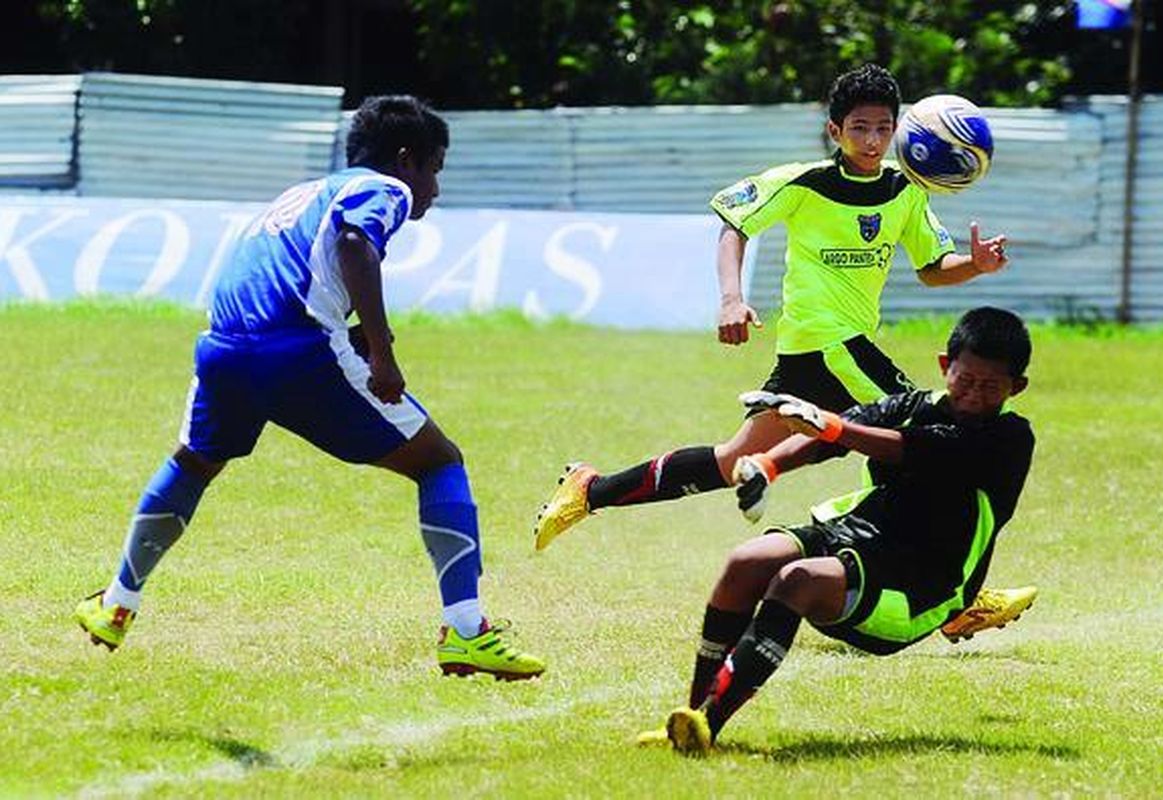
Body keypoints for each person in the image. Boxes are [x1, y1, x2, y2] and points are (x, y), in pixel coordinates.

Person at [533, 62, 1033, 641]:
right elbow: (734, 222)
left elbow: (930, 269)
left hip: (822, 357)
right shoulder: (803, 183)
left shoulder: (905, 192)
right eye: (860, 128)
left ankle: (590, 490)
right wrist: (730, 299)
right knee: (925, 439)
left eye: (883, 128)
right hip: (827, 344)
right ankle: (951, 596)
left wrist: (976, 264)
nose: (872, 141)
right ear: (834, 130)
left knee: (729, 462)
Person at [73, 95, 545, 681]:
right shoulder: (385, 188)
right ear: (406, 160)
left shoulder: (303, 194)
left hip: (223, 347)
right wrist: (384, 355)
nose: (435, 189)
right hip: (295, 350)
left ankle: (117, 604)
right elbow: (354, 245)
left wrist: (357, 331)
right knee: (439, 461)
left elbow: (291, 272)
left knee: (193, 464)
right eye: (435, 169)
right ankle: (468, 631)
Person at [644, 306, 1036, 753]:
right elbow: (835, 433)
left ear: (1016, 388)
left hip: (923, 586)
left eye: (990, 387)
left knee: (798, 581)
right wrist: (769, 465)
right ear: (946, 366)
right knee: (746, 562)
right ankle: (689, 718)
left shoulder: (1010, 438)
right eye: (966, 380)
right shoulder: (911, 405)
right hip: (861, 537)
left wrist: (832, 426)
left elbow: (909, 449)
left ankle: (708, 724)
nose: (973, 396)